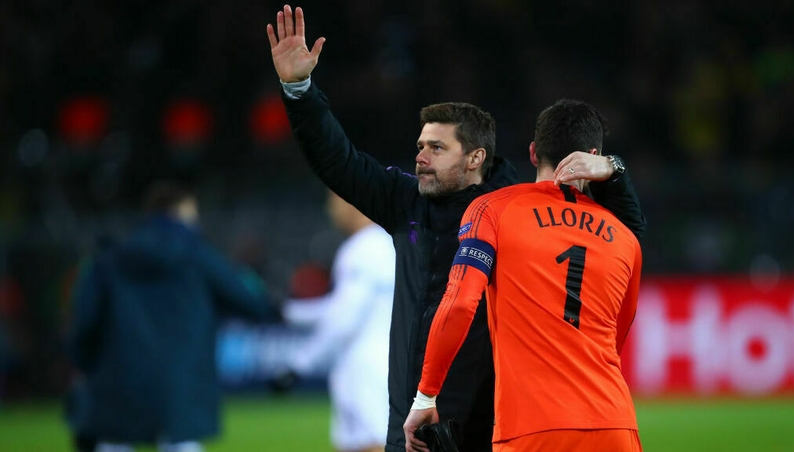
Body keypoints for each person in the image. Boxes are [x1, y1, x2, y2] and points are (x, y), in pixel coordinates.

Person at [266, 6, 646, 451]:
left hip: (492, 422)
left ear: (475, 158)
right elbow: (337, 160)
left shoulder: (511, 206)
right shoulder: (404, 199)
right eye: (420, 146)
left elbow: (624, 233)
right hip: (416, 420)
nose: (421, 156)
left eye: (437, 147)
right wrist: (299, 90)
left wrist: (614, 170)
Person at [404, 100, 643, 452]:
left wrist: (426, 396)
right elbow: (618, 337)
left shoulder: (492, 209)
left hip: (531, 430)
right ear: (594, 156)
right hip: (615, 426)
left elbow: (459, 304)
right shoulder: (624, 237)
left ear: (533, 153)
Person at [66, 181, 277, 452]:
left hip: (116, 387)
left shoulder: (108, 258)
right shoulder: (197, 254)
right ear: (181, 210)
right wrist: (277, 309)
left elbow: (84, 321)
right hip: (181, 390)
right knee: (182, 444)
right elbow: (249, 301)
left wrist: (84, 362)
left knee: (114, 443)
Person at [275, 190, 396, 452]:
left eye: (334, 202)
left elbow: (344, 319)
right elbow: (341, 308)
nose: (331, 210)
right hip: (371, 366)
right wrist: (291, 313)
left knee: (373, 443)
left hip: (368, 370)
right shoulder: (378, 244)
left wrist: (299, 365)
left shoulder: (366, 248)